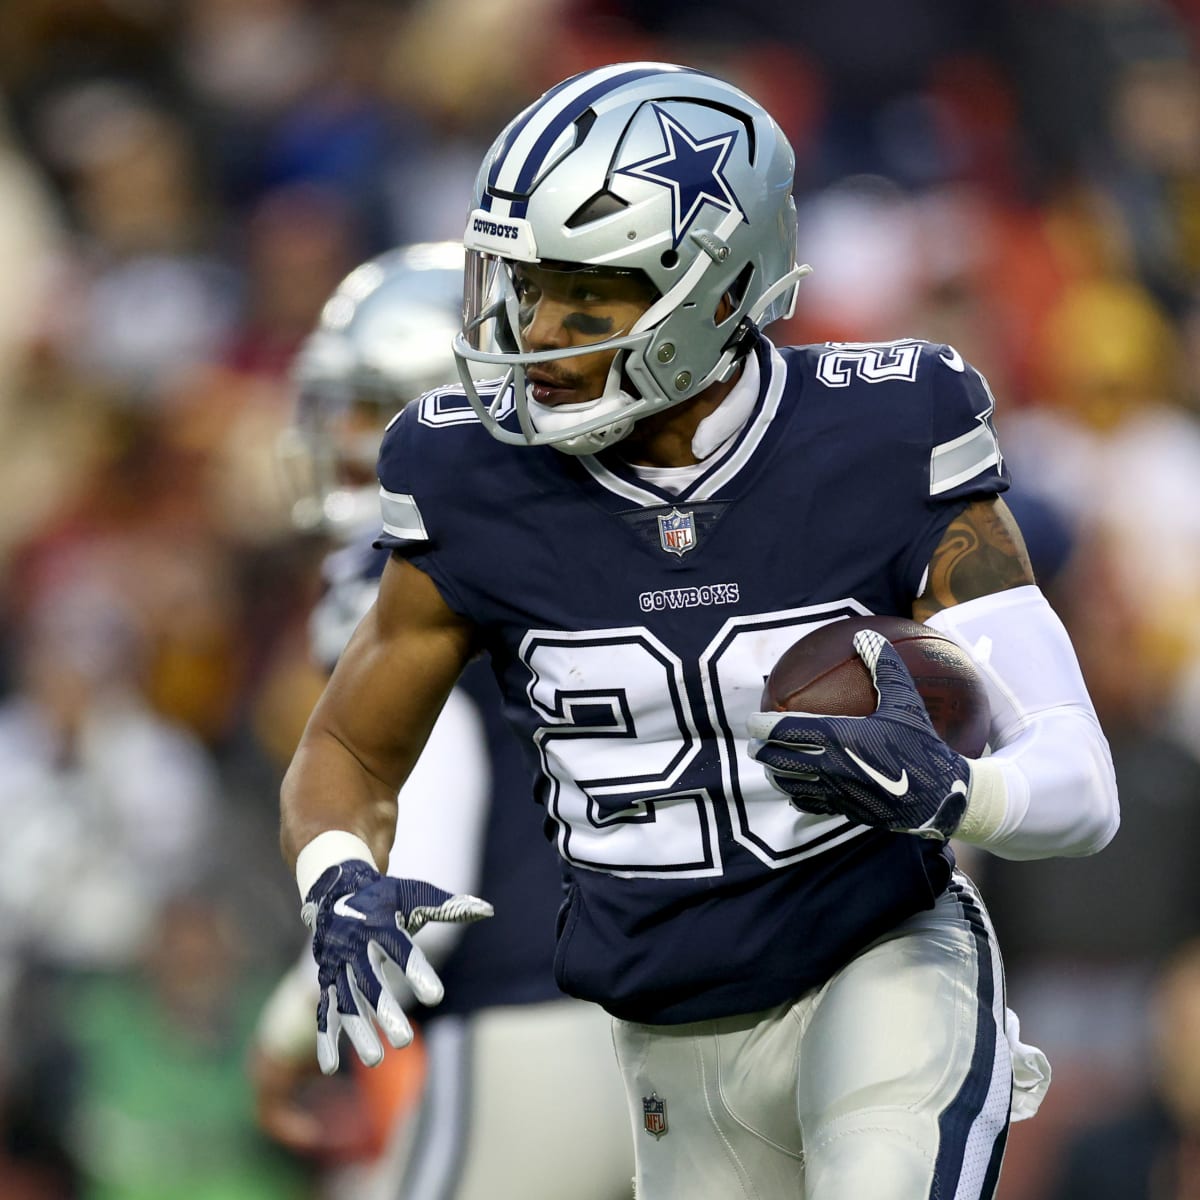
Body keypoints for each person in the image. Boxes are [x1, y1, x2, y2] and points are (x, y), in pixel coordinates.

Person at [279, 63, 1120, 1199]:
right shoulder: (469, 478)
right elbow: (346, 753)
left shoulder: (883, 431)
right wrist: (335, 874)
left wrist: (955, 796)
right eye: (525, 288)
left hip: (878, 966)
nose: (537, 331)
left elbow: (1079, 776)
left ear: (720, 288)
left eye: (589, 295)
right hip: (666, 1026)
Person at [255, 242, 633, 1199]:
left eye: (364, 407)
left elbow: (426, 870)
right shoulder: (592, 539)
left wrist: (296, 1017)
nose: (336, 437)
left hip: (529, 1020)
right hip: (676, 1012)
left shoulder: (419, 576)